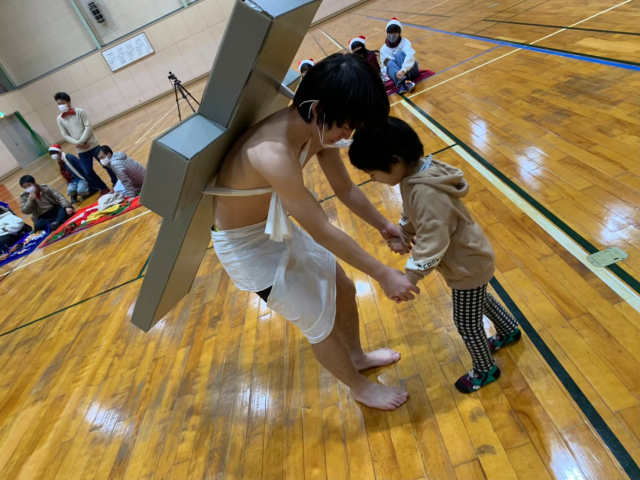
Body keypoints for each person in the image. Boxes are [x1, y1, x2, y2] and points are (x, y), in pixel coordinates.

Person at [209, 53, 419, 410]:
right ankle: (358, 388)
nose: (348, 135)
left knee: (344, 288)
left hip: (274, 225)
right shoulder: (271, 152)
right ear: (318, 108)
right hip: (246, 248)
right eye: (347, 126)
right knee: (318, 323)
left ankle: (357, 357)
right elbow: (322, 229)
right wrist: (383, 273)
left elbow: (345, 189)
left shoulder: (316, 129)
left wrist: (384, 225)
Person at [349, 117, 522, 393]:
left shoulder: (425, 191)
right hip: (468, 258)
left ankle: (485, 369)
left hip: (466, 264)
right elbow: (413, 213)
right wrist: (403, 234)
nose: (374, 180)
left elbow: (433, 241)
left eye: (372, 174)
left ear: (395, 162)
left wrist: (410, 277)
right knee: (478, 301)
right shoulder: (415, 176)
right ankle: (509, 330)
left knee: (466, 322)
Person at [54, 92, 117, 194]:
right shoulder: (59, 118)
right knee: (88, 172)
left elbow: (88, 127)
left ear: (69, 102)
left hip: (93, 145)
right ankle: (103, 188)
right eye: (58, 104)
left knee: (106, 164)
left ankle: (116, 183)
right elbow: (65, 134)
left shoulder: (80, 112)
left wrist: (81, 141)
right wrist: (78, 143)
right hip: (81, 149)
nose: (60, 105)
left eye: (62, 103)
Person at [380, 18, 419, 94]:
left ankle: (404, 83)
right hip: (398, 76)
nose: (392, 35)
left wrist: (403, 69)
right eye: (390, 33)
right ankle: (405, 83)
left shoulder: (405, 42)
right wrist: (387, 67)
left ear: (399, 33)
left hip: (411, 71)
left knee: (399, 55)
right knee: (389, 63)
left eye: (395, 33)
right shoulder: (383, 49)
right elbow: (384, 69)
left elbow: (410, 55)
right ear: (386, 33)